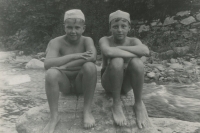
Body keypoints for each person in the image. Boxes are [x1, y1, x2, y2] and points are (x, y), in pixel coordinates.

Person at [43, 9, 97, 133]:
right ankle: (54, 117)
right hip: (65, 85)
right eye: (69, 27)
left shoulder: (87, 40)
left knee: (90, 67)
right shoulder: (56, 42)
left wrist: (64, 66)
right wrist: (75, 56)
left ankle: (87, 111)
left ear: (83, 28)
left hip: (81, 83)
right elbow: (47, 64)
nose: (73, 31)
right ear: (64, 27)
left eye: (77, 28)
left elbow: (92, 57)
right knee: (51, 74)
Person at [99, 10, 151, 128]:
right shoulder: (105, 40)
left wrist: (119, 48)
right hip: (109, 83)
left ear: (129, 27)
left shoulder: (133, 41)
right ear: (110, 28)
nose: (120, 30)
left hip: (126, 84)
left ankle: (138, 103)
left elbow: (145, 52)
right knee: (117, 60)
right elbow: (108, 51)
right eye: (115, 26)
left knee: (137, 63)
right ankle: (116, 104)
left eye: (123, 26)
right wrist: (134, 53)